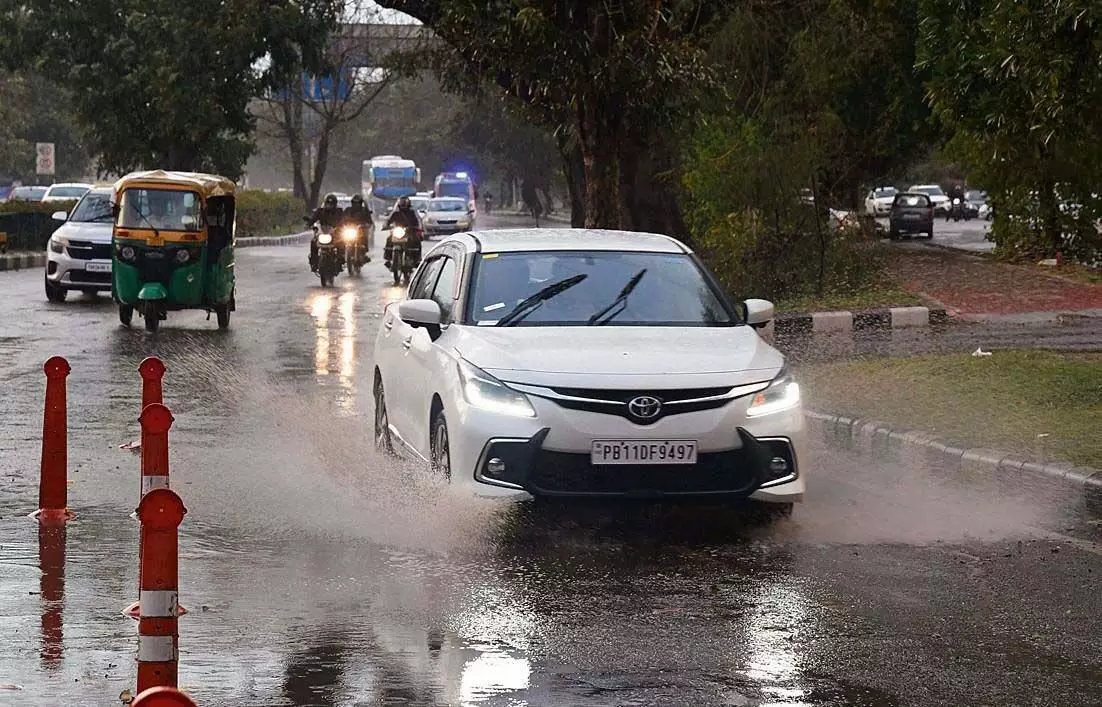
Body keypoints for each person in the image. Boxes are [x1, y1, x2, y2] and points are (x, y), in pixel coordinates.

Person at [383, 195, 424, 269]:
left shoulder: (412, 212)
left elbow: (419, 220)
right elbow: (388, 220)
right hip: (397, 231)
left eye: (404, 202)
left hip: (410, 231)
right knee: (389, 239)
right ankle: (388, 258)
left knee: (417, 241)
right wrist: (385, 226)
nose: (403, 204)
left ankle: (417, 259)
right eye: (402, 202)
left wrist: (418, 227)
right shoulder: (396, 212)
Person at [308, 194, 344, 271]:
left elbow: (343, 220)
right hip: (323, 232)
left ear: (335, 204)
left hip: (335, 233)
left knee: (341, 243)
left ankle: (340, 261)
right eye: (328, 203)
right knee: (313, 242)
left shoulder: (339, 211)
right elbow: (314, 219)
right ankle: (314, 262)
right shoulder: (320, 211)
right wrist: (309, 223)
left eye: (331, 204)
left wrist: (341, 227)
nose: (329, 205)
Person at [342, 194, 373, 263]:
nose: (356, 205)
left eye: (358, 203)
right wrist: (341, 225)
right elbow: (342, 219)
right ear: (352, 203)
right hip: (350, 229)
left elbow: (369, 220)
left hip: (360, 230)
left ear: (360, 203)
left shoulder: (364, 210)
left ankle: (364, 253)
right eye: (354, 203)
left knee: (364, 237)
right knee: (341, 239)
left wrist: (366, 224)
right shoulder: (348, 210)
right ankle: (341, 253)